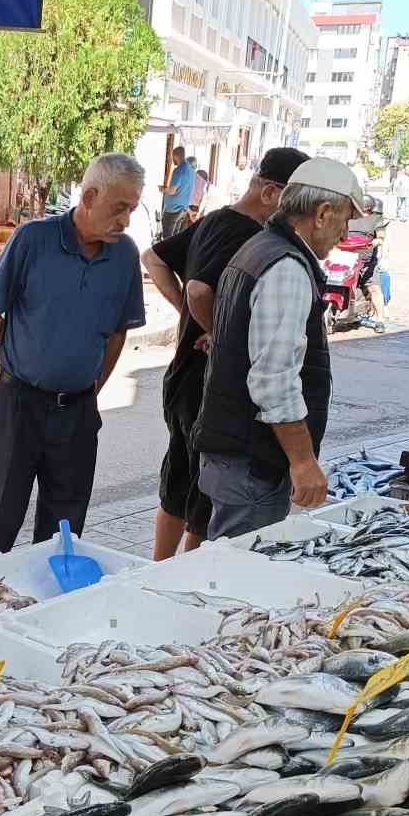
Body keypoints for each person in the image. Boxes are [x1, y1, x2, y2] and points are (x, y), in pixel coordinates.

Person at [0, 153, 146, 560]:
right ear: (89, 196)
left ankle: (47, 614)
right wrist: (30, 353)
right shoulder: (33, 240)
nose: (126, 221)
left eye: (132, 210)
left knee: (64, 535)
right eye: (120, 208)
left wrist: (89, 388)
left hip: (78, 414)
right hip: (18, 406)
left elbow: (118, 331)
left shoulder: (123, 255)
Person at [142, 146, 309, 561]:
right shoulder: (246, 232)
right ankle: (182, 579)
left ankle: (156, 573)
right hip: (205, 383)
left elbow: (154, 258)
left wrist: (188, 317)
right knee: (202, 494)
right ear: (271, 192)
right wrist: (217, 330)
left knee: (178, 482)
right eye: (295, 201)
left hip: (186, 378)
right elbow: (198, 288)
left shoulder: (213, 219)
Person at [193, 157, 365, 541]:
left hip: (235, 454)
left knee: (225, 563)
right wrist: (303, 461)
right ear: (322, 213)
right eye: (345, 220)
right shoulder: (285, 267)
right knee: (238, 578)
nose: (345, 233)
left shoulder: (261, 247)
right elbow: (274, 380)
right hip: (251, 462)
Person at [161, 147, 194, 237]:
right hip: (183, 210)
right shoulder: (191, 171)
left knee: (167, 240)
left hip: (173, 210)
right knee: (175, 238)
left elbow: (172, 191)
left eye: (172, 157)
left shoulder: (178, 171)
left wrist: (163, 189)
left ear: (176, 156)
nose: (172, 160)